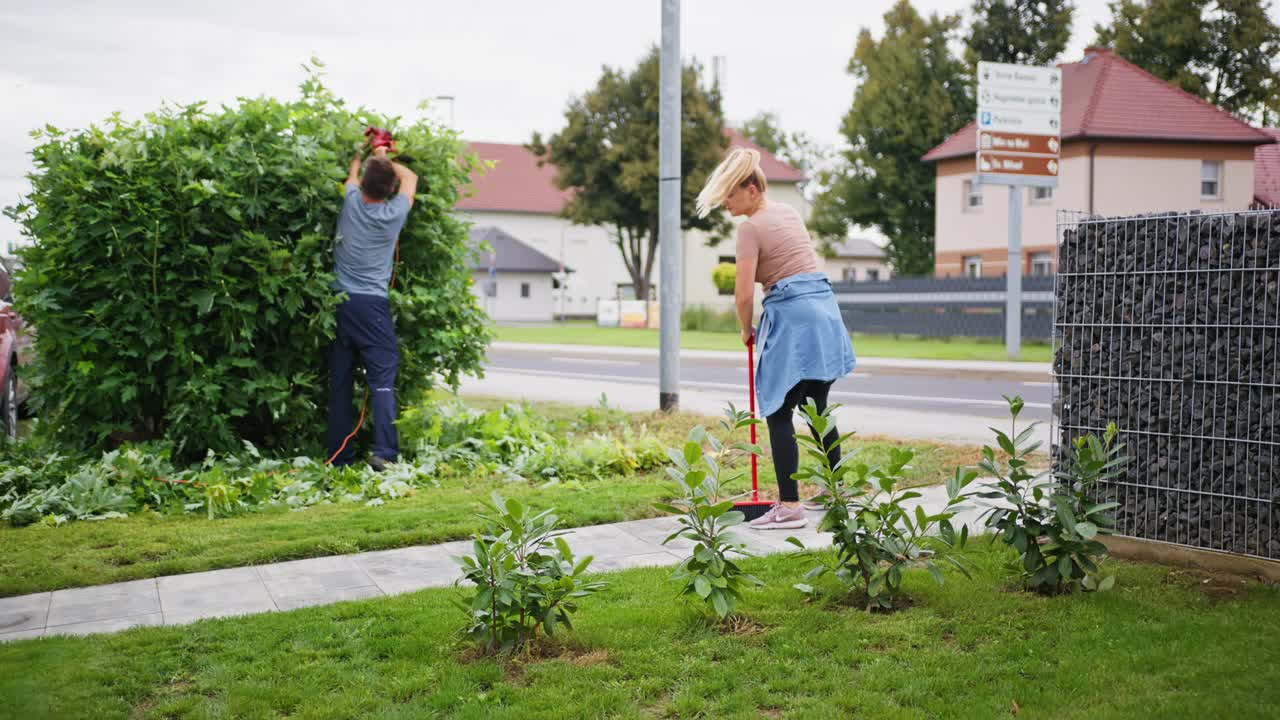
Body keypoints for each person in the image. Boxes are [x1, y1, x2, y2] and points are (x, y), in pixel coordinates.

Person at [696, 147, 856, 530]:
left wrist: (744, 328)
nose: (727, 204)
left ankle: (789, 507)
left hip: (795, 317)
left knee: (778, 410)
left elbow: (743, 295)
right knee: (816, 407)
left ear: (751, 188)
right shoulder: (789, 212)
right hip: (825, 312)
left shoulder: (750, 227)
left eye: (730, 196)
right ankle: (836, 491)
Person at [326, 143, 417, 470]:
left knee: (340, 381)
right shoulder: (394, 214)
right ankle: (385, 454)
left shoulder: (350, 202)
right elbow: (411, 179)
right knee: (381, 378)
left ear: (363, 182)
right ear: (389, 189)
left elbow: (352, 175)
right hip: (372, 307)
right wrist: (385, 155)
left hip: (340, 303)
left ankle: (338, 458)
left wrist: (364, 154)